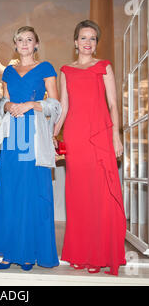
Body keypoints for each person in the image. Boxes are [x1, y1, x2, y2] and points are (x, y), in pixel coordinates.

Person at [54, 20, 126, 276]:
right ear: (75, 42)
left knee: (100, 196)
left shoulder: (104, 66)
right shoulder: (65, 70)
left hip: (100, 136)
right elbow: (63, 106)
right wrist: (53, 135)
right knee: (78, 197)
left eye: (92, 38)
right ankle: (80, 252)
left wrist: (116, 137)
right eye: (83, 38)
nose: (88, 42)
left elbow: (113, 104)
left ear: (96, 43)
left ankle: (99, 254)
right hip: (75, 138)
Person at [0, 26, 60, 271]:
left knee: (30, 192)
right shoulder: (8, 70)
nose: (25, 43)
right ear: (15, 45)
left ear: (36, 44)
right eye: (20, 40)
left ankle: (28, 252)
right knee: (10, 191)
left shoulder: (46, 68)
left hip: (35, 134)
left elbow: (55, 106)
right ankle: (9, 253)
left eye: (30, 39)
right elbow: (4, 102)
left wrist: (30, 104)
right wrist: (8, 107)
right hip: (13, 136)